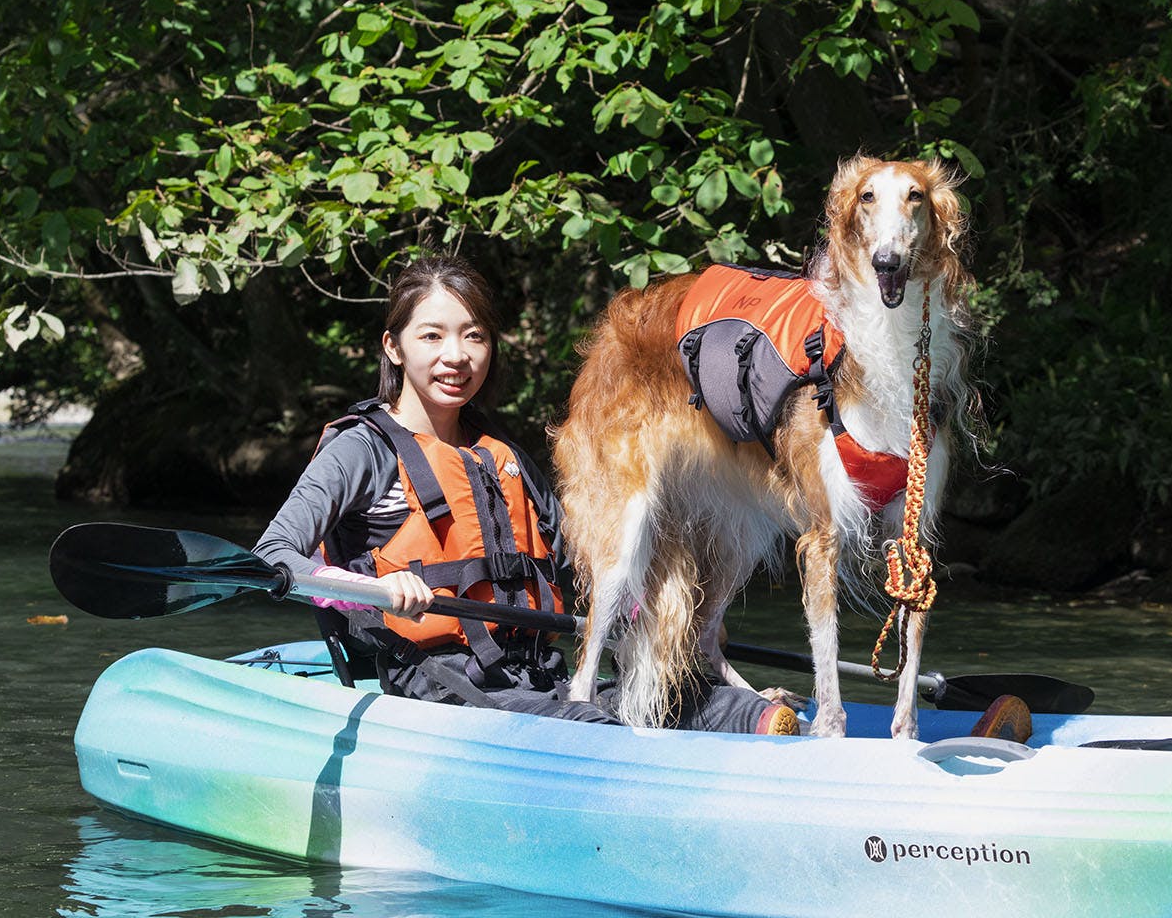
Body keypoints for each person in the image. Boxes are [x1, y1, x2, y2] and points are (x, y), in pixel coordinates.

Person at [255, 253, 798, 735]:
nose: (456, 356)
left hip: (541, 680)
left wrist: (660, 616)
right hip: (443, 692)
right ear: (393, 348)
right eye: (431, 336)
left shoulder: (504, 458)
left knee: (724, 707)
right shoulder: (362, 450)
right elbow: (271, 555)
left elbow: (581, 562)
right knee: (593, 728)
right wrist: (372, 587)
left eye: (474, 335)